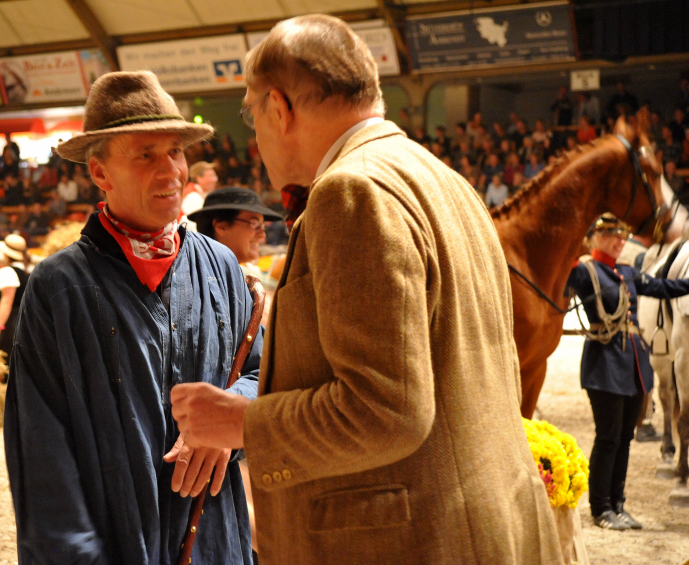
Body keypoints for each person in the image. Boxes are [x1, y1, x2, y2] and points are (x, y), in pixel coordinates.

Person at [170, 14, 561, 565]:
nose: (255, 137)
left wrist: (239, 423)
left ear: (278, 109)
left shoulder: (350, 191)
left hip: (412, 542)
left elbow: (387, 410)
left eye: (250, 115)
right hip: (486, 523)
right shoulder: (445, 180)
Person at [3, 70, 261, 565]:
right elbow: (42, 456)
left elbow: (262, 370)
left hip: (213, 537)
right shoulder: (60, 289)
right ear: (100, 173)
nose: (171, 172)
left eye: (176, 152)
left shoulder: (221, 268)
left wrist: (229, 421)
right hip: (114, 542)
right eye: (146, 155)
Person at [567, 214, 689, 530]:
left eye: (622, 236)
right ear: (593, 237)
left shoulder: (626, 272)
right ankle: (601, 507)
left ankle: (618, 505)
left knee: (624, 438)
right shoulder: (583, 271)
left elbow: (664, 287)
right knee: (607, 437)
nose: (619, 242)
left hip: (633, 365)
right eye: (611, 236)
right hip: (604, 364)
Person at [188, 186, 283, 266]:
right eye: (254, 224)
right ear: (222, 227)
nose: (262, 235)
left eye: (263, 226)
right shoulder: (195, 279)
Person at [0, 234, 31, 364]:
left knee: (9, 362)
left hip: (12, 323)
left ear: (6, 254)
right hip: (27, 321)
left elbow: (6, 302)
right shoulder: (26, 271)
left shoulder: (7, 272)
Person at [181, 160, 218, 230]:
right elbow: (199, 227)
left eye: (215, 175)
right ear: (199, 179)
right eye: (211, 176)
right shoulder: (193, 197)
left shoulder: (199, 193)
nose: (215, 179)